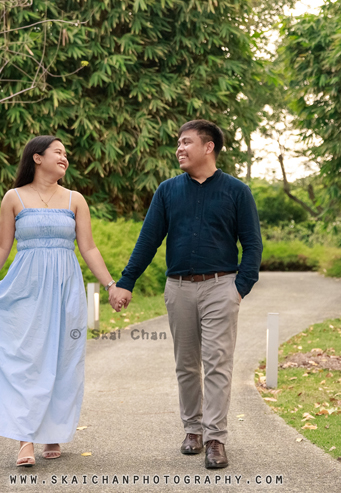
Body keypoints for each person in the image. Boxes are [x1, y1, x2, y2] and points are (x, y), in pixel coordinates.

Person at [109, 120, 262, 469]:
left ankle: (215, 438)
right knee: (186, 365)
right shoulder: (167, 191)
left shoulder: (237, 191)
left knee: (218, 364)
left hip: (221, 286)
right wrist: (126, 282)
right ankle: (192, 430)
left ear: (208, 147)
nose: (179, 149)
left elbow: (252, 243)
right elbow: (148, 240)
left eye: (186, 142)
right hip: (178, 288)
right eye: (178, 143)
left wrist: (239, 288)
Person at [0, 135, 119, 467]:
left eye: (66, 153)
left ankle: (54, 430)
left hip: (66, 287)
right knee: (27, 359)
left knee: (64, 359)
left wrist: (109, 285)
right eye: (58, 152)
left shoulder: (75, 199)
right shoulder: (14, 198)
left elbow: (88, 248)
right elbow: (2, 247)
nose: (65, 157)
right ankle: (25, 438)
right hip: (26, 288)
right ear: (37, 157)